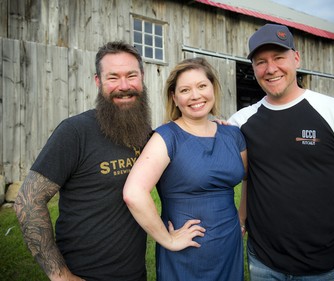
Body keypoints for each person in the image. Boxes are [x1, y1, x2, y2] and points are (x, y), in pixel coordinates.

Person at [228, 23, 334, 280]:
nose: (271, 68)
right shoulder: (241, 121)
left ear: (296, 58)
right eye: (261, 61)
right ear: (253, 68)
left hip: (323, 265)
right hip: (263, 263)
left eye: (278, 58)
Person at [14, 41, 152, 281]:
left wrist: (214, 127)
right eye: (113, 77)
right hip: (84, 274)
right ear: (98, 81)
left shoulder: (145, 134)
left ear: (142, 76)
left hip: (135, 274)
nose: (124, 86)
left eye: (131, 75)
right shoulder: (75, 132)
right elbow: (28, 202)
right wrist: (61, 275)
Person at [123, 57, 247, 281]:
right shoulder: (167, 137)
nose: (196, 95)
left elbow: (249, 179)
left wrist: (242, 217)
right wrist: (168, 239)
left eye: (202, 86)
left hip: (229, 245)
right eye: (185, 90)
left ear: (213, 88)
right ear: (175, 97)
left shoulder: (233, 135)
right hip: (186, 252)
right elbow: (133, 193)